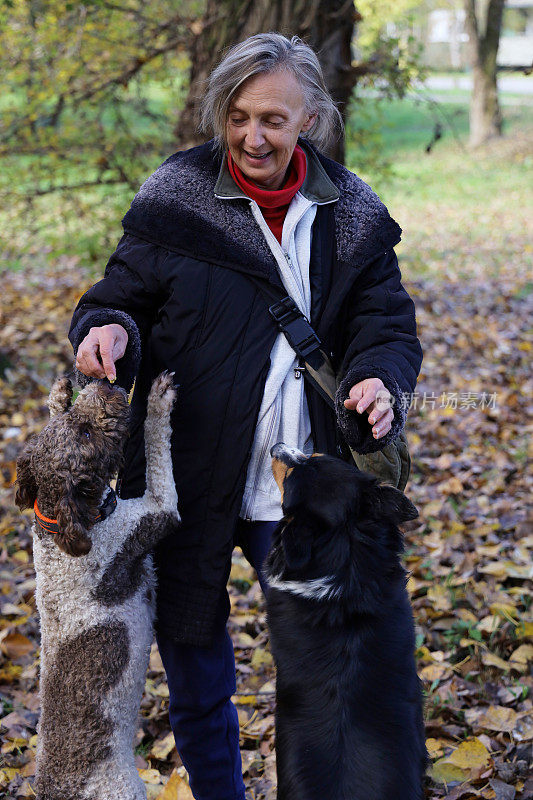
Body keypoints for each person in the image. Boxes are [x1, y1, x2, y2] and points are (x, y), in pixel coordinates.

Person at [70, 32, 423, 800]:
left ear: (311, 122)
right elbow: (117, 300)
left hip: (301, 479)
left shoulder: (351, 213)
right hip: (186, 478)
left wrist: (377, 381)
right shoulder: (176, 196)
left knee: (330, 681)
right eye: (237, 116)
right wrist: (106, 332)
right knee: (198, 675)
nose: (251, 137)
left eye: (272, 119)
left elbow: (386, 327)